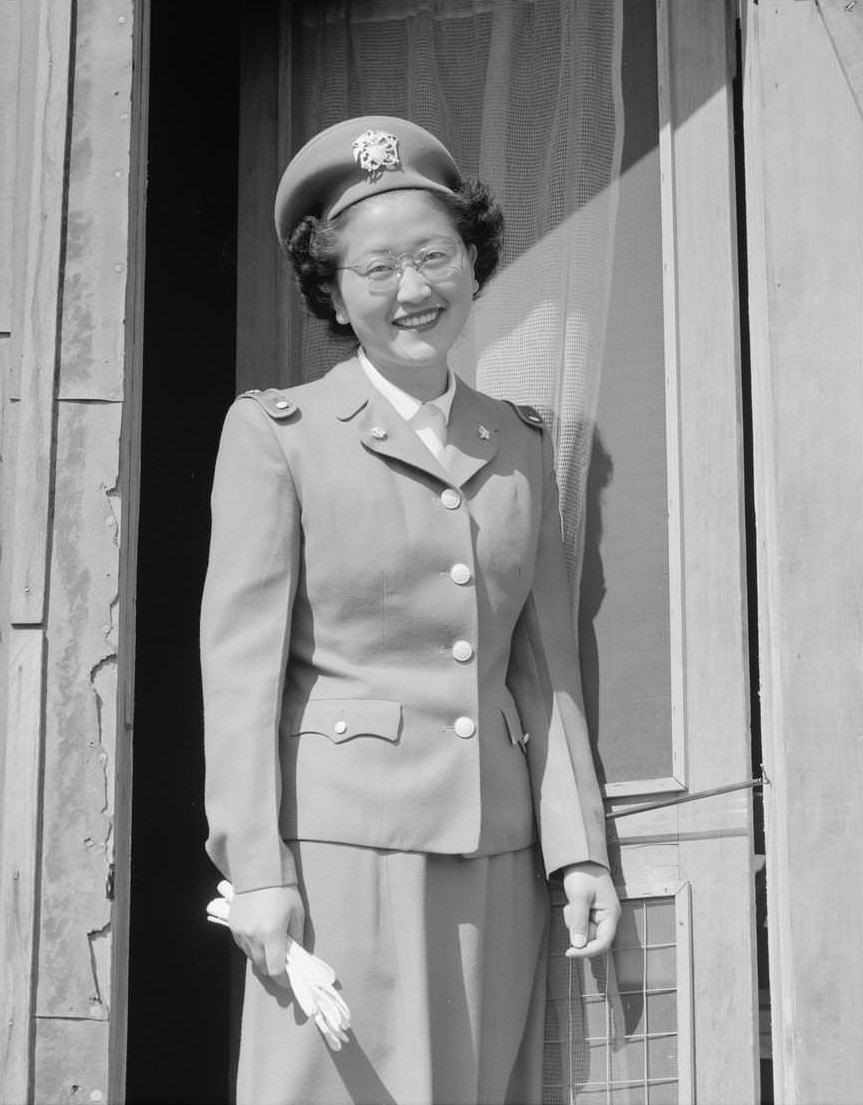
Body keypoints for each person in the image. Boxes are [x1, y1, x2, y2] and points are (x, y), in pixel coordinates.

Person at [201, 115, 620, 1105]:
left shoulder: (519, 442)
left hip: (496, 849)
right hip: (343, 851)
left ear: (473, 266)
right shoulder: (279, 435)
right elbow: (239, 676)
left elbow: (543, 666)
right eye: (377, 269)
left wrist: (579, 851)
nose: (413, 291)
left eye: (435, 257)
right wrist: (256, 869)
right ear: (333, 294)